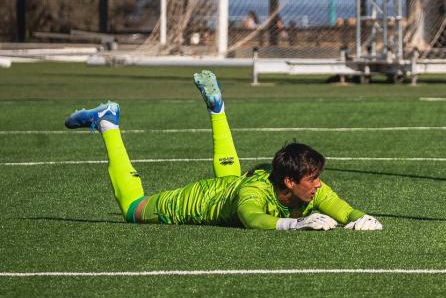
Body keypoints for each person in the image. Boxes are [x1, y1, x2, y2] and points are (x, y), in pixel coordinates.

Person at [63, 70, 382, 231]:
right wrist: (294, 224)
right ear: (289, 182)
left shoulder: (306, 187)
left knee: (234, 183)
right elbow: (249, 216)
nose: (318, 185)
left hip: (230, 187)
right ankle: (107, 124)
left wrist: (359, 218)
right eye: (312, 179)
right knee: (133, 209)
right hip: (193, 203)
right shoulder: (256, 192)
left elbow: (338, 206)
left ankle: (218, 109)